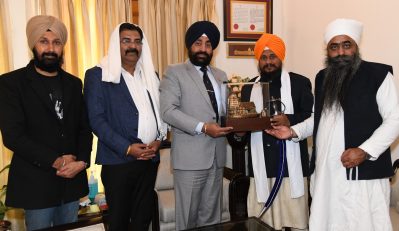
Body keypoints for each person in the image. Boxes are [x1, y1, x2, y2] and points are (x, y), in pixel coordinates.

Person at [266, 18, 399, 231]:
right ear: (327, 51)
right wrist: (293, 131)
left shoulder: (378, 75)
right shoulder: (323, 77)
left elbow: (395, 121)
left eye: (346, 45)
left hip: (362, 174)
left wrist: (364, 151)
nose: (340, 52)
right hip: (327, 174)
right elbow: (320, 119)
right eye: (334, 47)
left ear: (356, 47)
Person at [0, 15, 92, 230]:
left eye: (56, 42)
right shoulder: (11, 83)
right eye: (44, 41)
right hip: (36, 185)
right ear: (33, 44)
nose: (50, 48)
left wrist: (82, 162)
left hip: (71, 182)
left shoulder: (73, 83)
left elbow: (84, 128)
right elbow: (13, 136)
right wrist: (57, 161)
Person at [84, 23, 165, 231]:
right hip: (118, 162)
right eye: (126, 41)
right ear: (115, 44)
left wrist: (158, 140)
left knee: (142, 220)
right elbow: (97, 121)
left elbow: (160, 113)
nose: (133, 46)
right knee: (119, 223)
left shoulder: (150, 74)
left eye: (137, 41)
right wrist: (128, 148)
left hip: (149, 160)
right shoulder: (98, 75)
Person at [230, 33, 313, 230]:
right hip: (261, 166)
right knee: (261, 224)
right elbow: (243, 126)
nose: (269, 62)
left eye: (273, 56)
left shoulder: (300, 83)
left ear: (281, 57)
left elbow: (312, 118)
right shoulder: (249, 87)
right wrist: (239, 132)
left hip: (291, 168)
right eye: (264, 57)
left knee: (295, 222)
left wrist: (289, 119)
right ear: (258, 60)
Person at [160, 21, 233, 230]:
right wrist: (203, 127)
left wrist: (238, 124)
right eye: (198, 43)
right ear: (189, 45)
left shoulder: (221, 76)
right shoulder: (174, 72)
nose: (203, 49)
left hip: (217, 158)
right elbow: (168, 111)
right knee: (188, 222)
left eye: (208, 44)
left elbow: (225, 113)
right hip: (190, 160)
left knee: (212, 220)